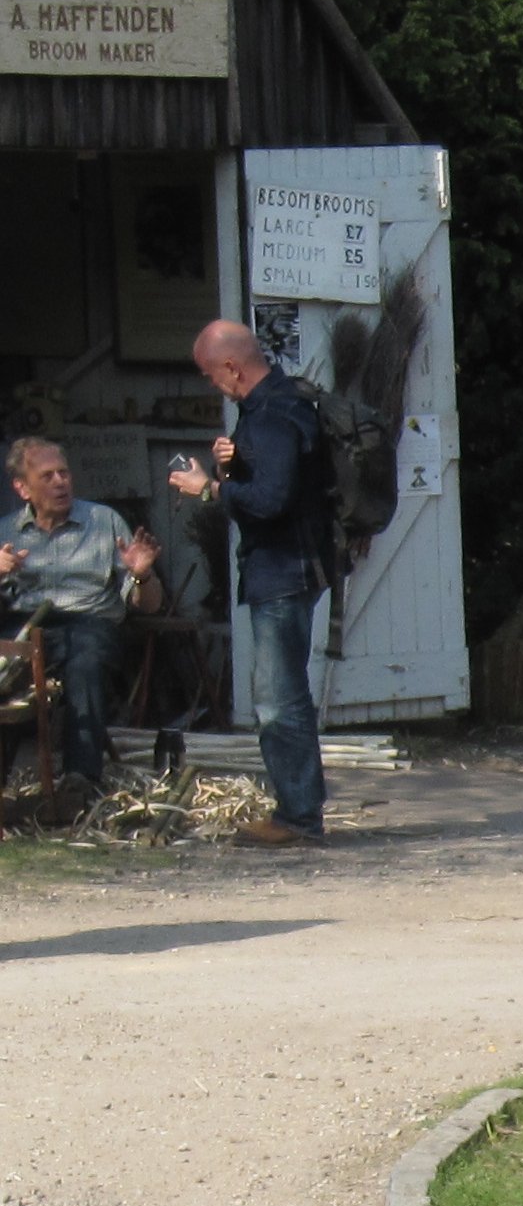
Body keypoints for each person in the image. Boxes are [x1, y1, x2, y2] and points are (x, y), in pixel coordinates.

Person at [166, 321, 333, 847]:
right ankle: (297, 812)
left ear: (233, 368)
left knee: (279, 701)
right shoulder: (274, 407)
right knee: (281, 696)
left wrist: (211, 489)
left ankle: (298, 818)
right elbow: (272, 483)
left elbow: (271, 501)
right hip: (287, 568)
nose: (212, 384)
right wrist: (236, 465)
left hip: (283, 570)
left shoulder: (273, 417)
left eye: (212, 374)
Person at [0, 437, 163, 807]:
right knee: (6, 670)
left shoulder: (103, 522)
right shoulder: (5, 532)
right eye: (47, 476)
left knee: (85, 663)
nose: (60, 482)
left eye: (64, 472)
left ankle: (79, 779)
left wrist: (142, 576)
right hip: (26, 625)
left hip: (89, 622)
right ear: (22, 488)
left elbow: (150, 607)